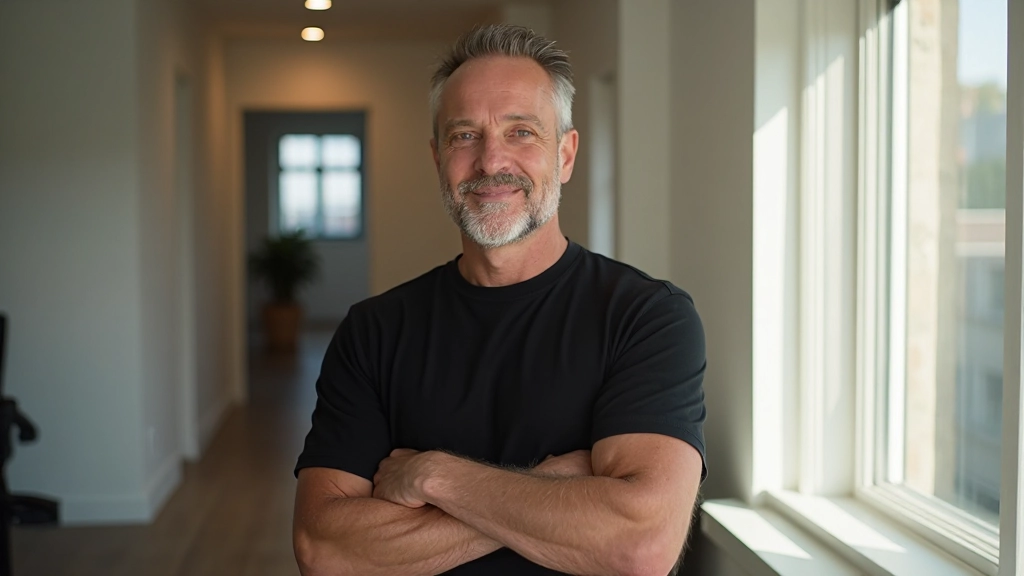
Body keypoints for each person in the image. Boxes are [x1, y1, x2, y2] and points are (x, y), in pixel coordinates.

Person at [292, 24, 706, 576]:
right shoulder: (374, 330)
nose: (490, 161)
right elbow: (325, 551)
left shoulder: (646, 318)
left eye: (521, 133)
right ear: (438, 157)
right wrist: (555, 485)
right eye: (465, 135)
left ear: (565, 155)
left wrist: (437, 477)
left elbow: (640, 545)